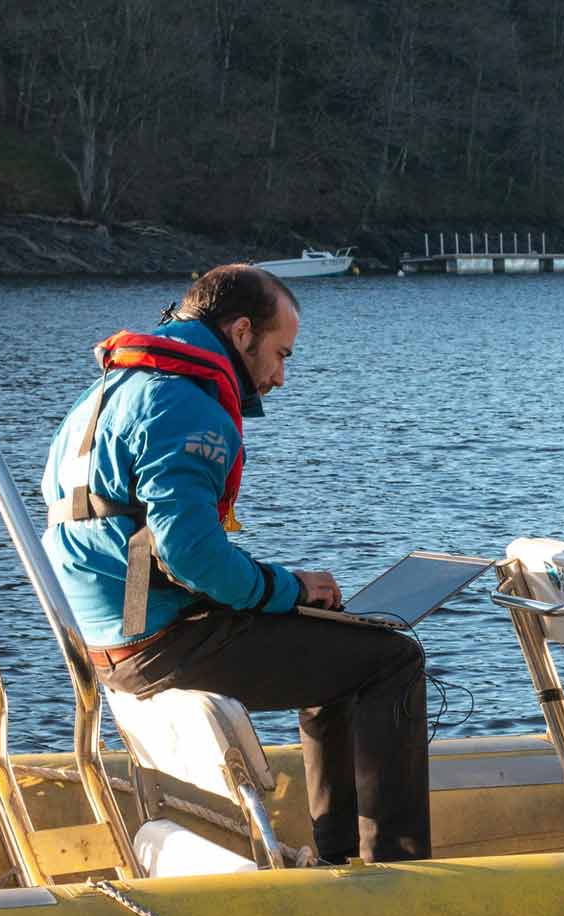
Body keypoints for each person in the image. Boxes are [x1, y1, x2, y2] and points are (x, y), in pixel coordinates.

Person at [40, 264, 429, 865]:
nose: (279, 376)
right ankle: (398, 866)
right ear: (242, 331)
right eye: (280, 354)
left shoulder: (114, 390)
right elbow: (188, 552)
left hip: (112, 636)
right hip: (158, 644)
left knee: (337, 643)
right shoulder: (188, 405)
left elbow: (142, 540)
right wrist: (286, 585)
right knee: (392, 658)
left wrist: (287, 593)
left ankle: (340, 852)